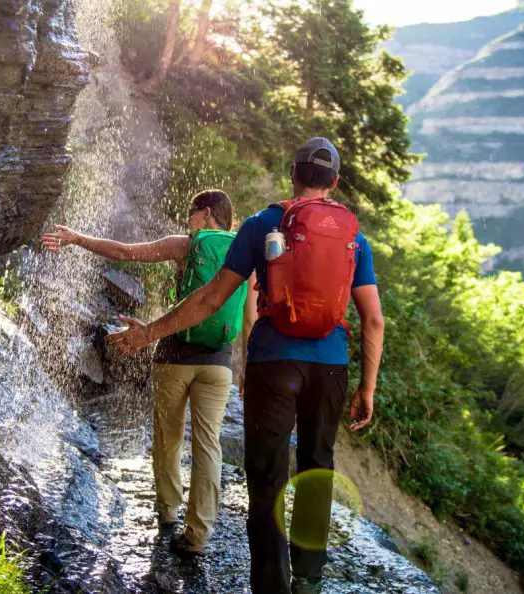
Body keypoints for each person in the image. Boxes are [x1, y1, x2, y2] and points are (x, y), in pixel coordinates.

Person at [107, 138, 385, 594]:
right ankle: (309, 581)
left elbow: (211, 299)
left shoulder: (259, 225)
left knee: (267, 473)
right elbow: (372, 320)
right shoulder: (354, 236)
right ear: (334, 182)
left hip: (273, 364)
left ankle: (270, 585)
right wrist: (367, 388)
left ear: (291, 175)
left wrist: (147, 333)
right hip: (330, 365)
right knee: (318, 467)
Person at [41, 189, 257, 558]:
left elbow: (127, 252)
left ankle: (167, 512)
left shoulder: (189, 244)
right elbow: (250, 319)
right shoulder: (244, 254)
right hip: (219, 363)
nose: (188, 221)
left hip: (174, 356)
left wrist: (77, 238)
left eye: (191, 214)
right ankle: (198, 534)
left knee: (168, 437)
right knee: (208, 445)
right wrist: (246, 370)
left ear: (205, 213)